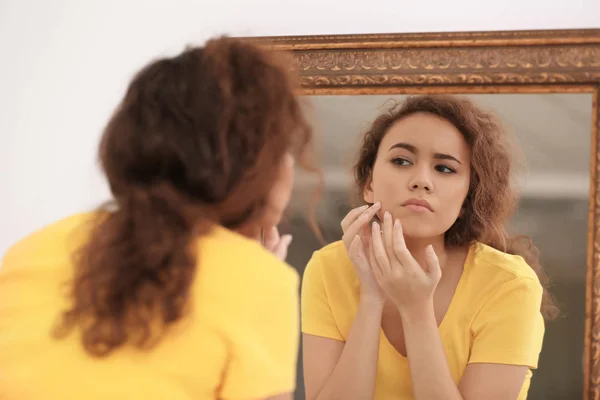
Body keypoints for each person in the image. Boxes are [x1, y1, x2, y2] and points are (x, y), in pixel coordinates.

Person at [0, 36, 320, 400]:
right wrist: (253, 277)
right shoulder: (261, 283)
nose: (289, 165)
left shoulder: (29, 252)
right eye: (284, 150)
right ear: (250, 165)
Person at [301, 94, 559, 400]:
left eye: (445, 169)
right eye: (401, 161)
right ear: (369, 184)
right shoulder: (328, 267)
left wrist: (416, 310)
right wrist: (371, 298)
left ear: (467, 199)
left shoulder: (510, 285)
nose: (421, 180)